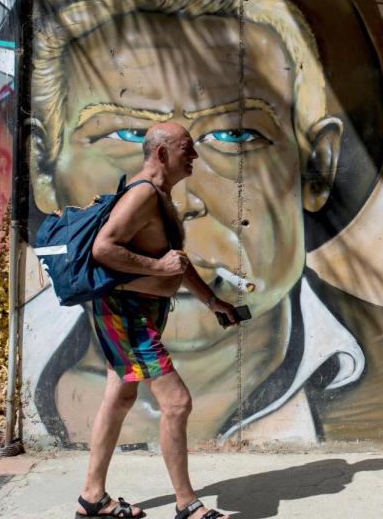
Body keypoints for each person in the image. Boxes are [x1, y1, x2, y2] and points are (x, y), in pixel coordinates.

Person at [25, 0, 383, 453]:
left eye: (236, 136)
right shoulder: (19, 355)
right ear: (43, 168)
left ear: (317, 168)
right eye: (124, 136)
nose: (183, 202)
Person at [75, 123, 239, 519]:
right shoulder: (143, 195)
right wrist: (157, 265)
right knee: (177, 402)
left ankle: (92, 498)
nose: (194, 156)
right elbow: (103, 248)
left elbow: (174, 261)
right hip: (127, 314)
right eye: (187, 149)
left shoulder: (160, 196)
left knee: (121, 395)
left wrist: (212, 300)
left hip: (140, 312)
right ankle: (187, 504)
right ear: (163, 153)